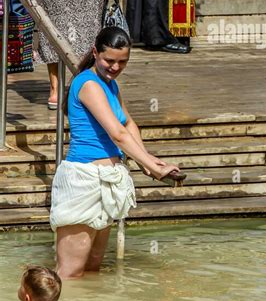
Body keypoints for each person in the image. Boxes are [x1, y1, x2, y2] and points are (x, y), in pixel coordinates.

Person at [50, 27, 182, 280]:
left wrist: (147, 159)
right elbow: (117, 134)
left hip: (108, 179)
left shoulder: (111, 84)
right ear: (95, 53)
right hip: (83, 180)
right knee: (70, 273)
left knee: (93, 268)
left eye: (122, 62)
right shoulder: (88, 84)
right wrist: (153, 167)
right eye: (109, 60)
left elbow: (128, 124)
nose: (115, 67)